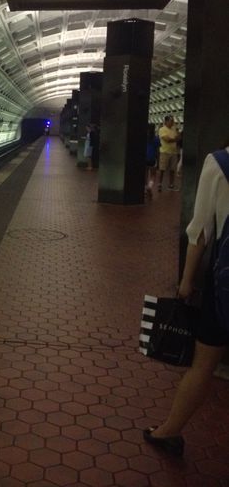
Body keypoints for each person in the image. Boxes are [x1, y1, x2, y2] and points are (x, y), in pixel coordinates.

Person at [143, 139, 229, 456]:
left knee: (203, 363)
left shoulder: (220, 163)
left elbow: (201, 232)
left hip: (224, 289)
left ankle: (169, 431)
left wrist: (186, 281)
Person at [157, 116, 181, 191]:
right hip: (164, 152)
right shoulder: (162, 129)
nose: (173, 123)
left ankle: (171, 185)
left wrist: (174, 137)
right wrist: (175, 139)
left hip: (173, 152)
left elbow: (179, 137)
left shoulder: (173, 129)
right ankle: (159, 184)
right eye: (171, 121)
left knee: (172, 169)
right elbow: (167, 140)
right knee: (162, 169)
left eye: (173, 121)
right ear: (166, 121)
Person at [145, 123, 160, 198]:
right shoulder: (156, 138)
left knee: (145, 174)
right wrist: (158, 159)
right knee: (153, 175)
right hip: (152, 158)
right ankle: (150, 187)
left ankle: (145, 188)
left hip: (144, 158)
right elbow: (157, 151)